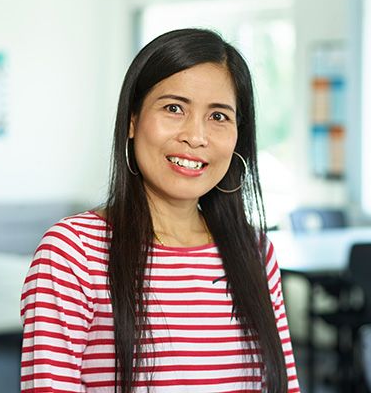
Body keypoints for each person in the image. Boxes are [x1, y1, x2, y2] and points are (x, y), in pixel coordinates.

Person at [20, 28, 300, 393]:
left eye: (218, 117)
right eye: (174, 108)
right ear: (133, 120)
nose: (195, 136)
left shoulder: (255, 251)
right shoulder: (74, 251)